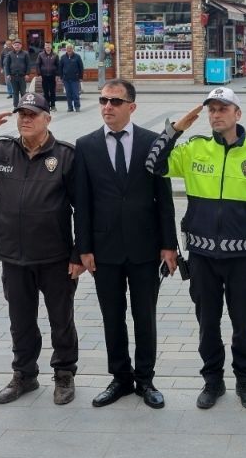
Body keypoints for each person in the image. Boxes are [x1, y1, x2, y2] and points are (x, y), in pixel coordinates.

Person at [0, 92, 84, 405]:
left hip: (56, 257)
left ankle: (64, 374)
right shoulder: (1, 150)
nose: (26, 119)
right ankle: (24, 375)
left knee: (60, 320)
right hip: (14, 256)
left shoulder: (65, 156)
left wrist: (80, 252)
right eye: (22, 114)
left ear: (47, 118)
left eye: (33, 114)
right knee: (20, 321)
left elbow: (84, 209)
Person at [145, 87, 246, 410]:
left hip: (242, 257)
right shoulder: (193, 148)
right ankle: (212, 381)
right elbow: (153, 164)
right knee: (208, 323)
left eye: (223, 109)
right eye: (211, 110)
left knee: (243, 324)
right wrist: (175, 130)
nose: (216, 115)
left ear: (237, 114)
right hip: (202, 256)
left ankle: (245, 380)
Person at [73, 79, 178, 408]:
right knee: (112, 316)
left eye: (115, 102)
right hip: (104, 250)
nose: (107, 107)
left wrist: (169, 245)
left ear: (132, 107)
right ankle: (119, 377)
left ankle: (145, 380)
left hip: (146, 248)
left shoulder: (152, 143)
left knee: (144, 315)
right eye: (103, 100)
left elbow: (165, 199)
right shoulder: (86, 145)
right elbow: (82, 203)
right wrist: (83, 248)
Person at [59, 43, 85, 113]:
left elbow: (81, 67)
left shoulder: (77, 57)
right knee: (68, 94)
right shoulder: (63, 57)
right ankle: (70, 107)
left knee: (75, 93)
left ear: (72, 49)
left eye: (70, 48)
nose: (69, 50)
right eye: (68, 48)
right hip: (66, 79)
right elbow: (60, 68)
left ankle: (77, 107)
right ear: (66, 49)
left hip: (75, 79)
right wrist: (61, 77)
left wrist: (80, 77)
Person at [37, 42, 61, 112]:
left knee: (52, 91)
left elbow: (58, 65)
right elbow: (38, 65)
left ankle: (53, 105)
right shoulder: (40, 55)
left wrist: (57, 75)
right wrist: (39, 74)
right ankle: (47, 105)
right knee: (46, 91)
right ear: (44, 47)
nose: (47, 47)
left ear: (51, 47)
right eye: (46, 46)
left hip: (52, 75)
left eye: (49, 46)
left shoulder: (55, 55)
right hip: (44, 76)